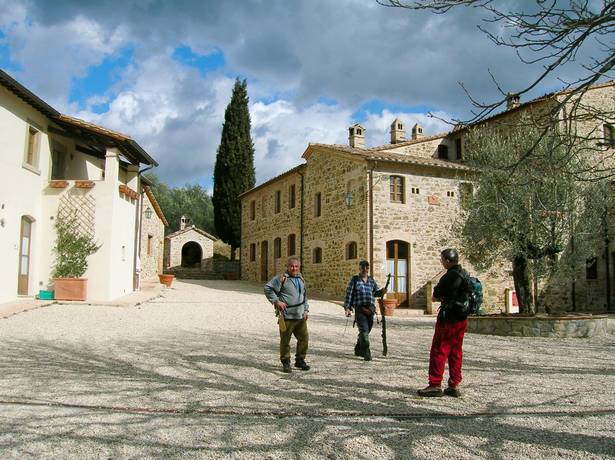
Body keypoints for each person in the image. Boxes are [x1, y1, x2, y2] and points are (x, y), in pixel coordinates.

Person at [418, 248, 470, 397]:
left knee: (439, 350)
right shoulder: (465, 274)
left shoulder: (449, 276)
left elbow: (435, 296)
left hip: (448, 318)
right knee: (456, 351)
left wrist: (441, 298)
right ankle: (454, 384)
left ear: (447, 260)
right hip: (461, 318)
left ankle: (435, 384)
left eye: (442, 259)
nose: (441, 262)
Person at [264, 256, 310, 373]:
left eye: (296, 266)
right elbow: (267, 288)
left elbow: (304, 297)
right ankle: (286, 362)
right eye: (292, 266)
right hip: (287, 316)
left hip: (300, 316)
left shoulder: (301, 279)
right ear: (288, 267)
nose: (294, 268)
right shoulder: (281, 278)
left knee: (304, 339)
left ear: (299, 267)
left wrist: (306, 310)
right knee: (285, 341)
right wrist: (276, 301)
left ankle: (300, 360)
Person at [343, 260, 387, 361]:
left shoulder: (371, 280)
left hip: (370, 310)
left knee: (367, 330)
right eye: (363, 267)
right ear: (359, 268)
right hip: (360, 309)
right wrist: (347, 308)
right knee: (364, 330)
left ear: (368, 268)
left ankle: (358, 348)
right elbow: (349, 295)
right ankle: (366, 352)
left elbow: (375, 293)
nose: (365, 269)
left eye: (366, 267)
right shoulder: (354, 280)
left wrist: (382, 291)